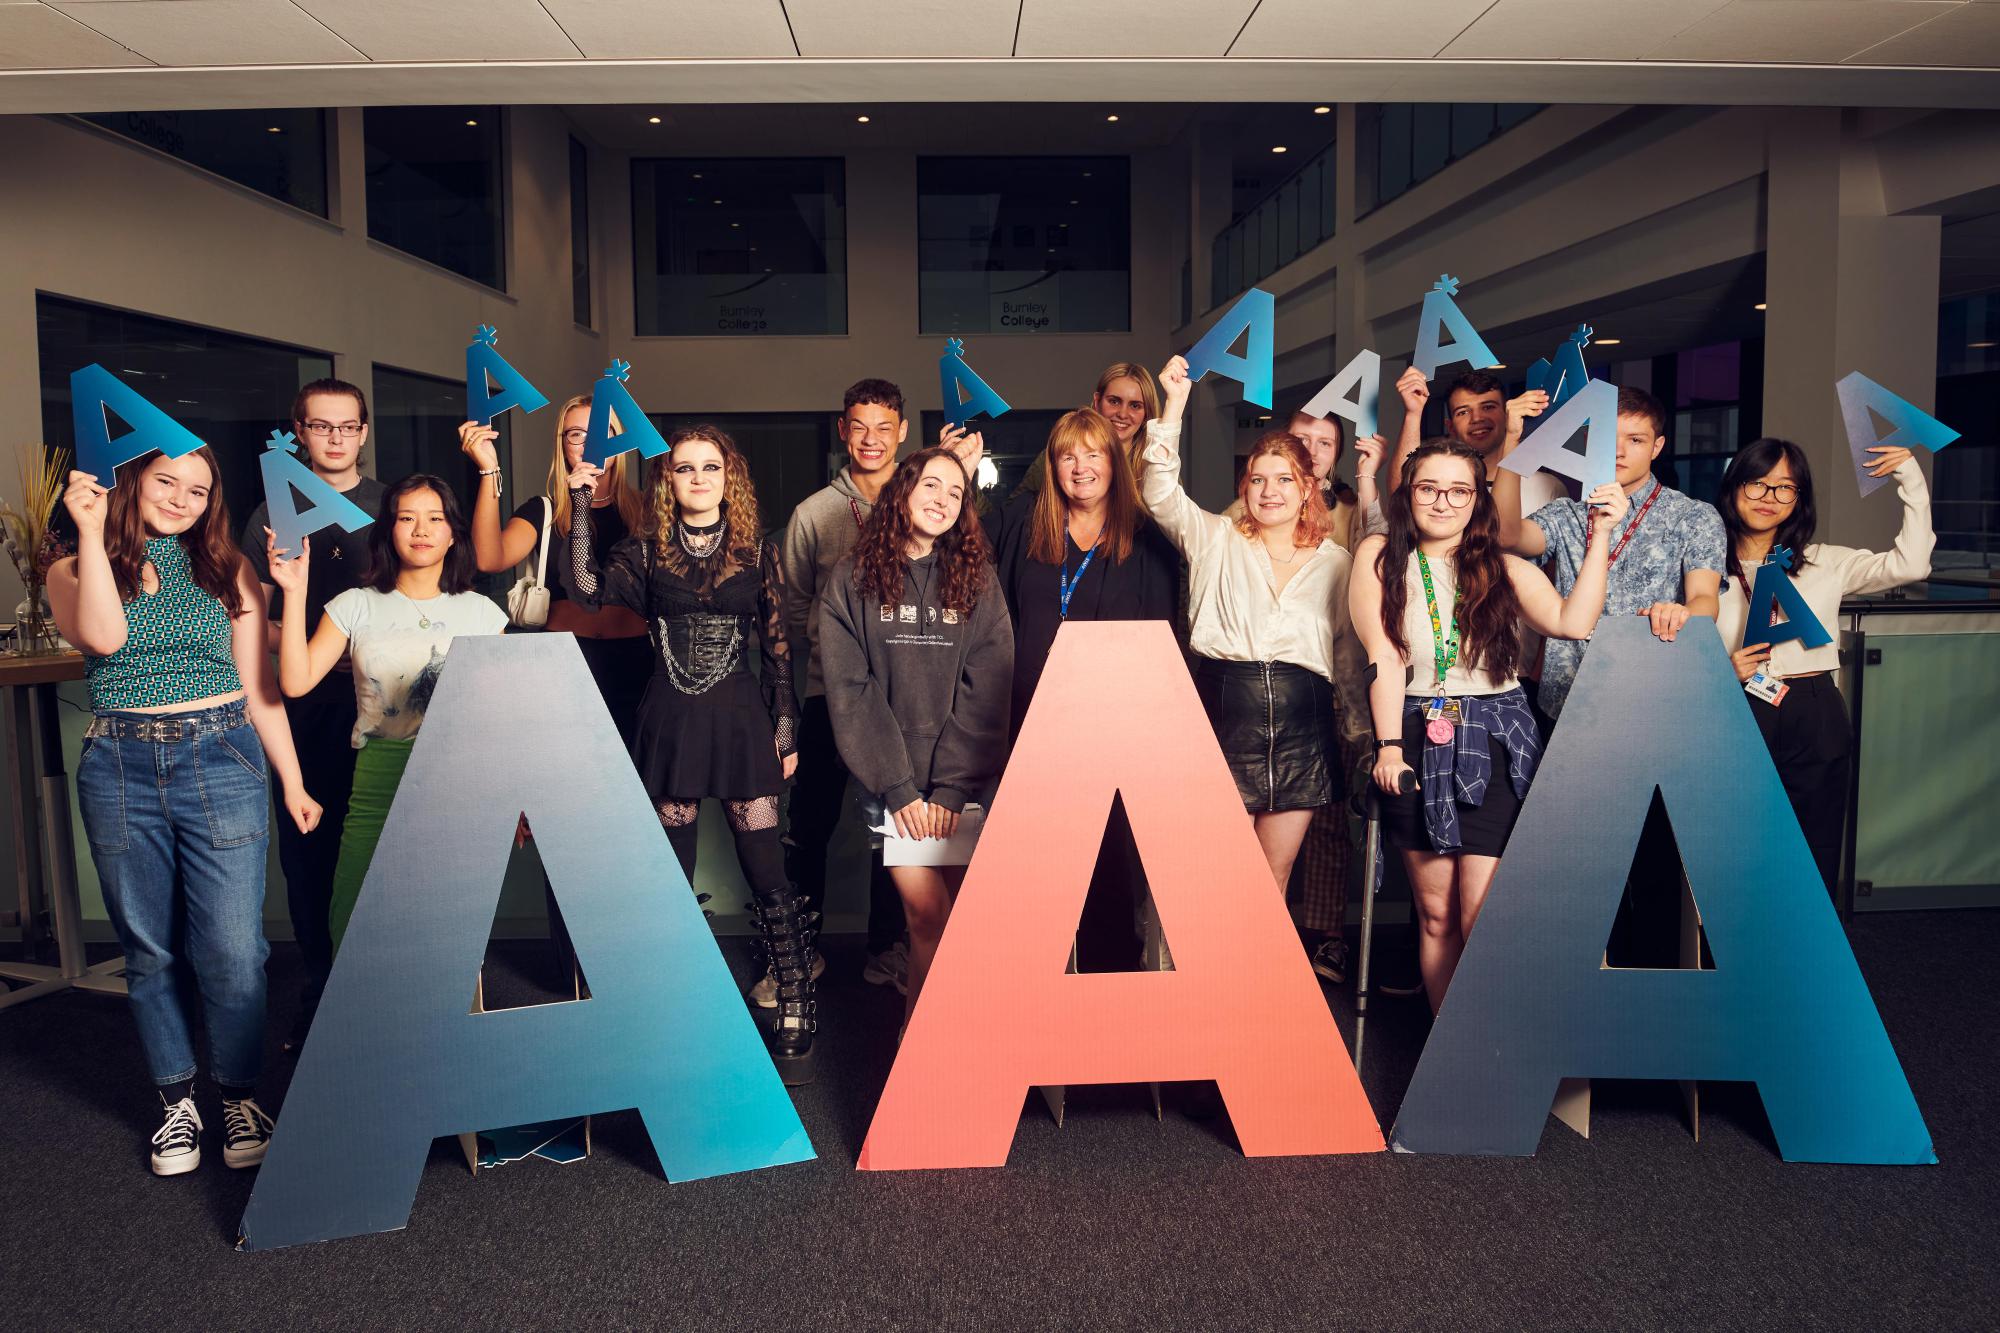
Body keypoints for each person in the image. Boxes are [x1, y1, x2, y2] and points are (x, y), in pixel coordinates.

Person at [50, 449, 319, 1177]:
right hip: (119, 763)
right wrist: (89, 525)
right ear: (129, 480)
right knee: (151, 949)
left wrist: (291, 780)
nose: (181, 499)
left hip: (221, 754)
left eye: (198, 489)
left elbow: (259, 685)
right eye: (165, 481)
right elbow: (104, 638)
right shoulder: (72, 568)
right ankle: (177, 1103)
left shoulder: (227, 567)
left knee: (233, 950)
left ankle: (237, 1094)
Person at [563, 428, 817, 1082]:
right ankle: (682, 1000)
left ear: (728, 477)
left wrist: (784, 724)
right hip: (669, 717)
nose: (699, 477)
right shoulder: (646, 554)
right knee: (670, 876)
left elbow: (780, 646)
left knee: (766, 866)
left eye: (711, 466)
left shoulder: (758, 553)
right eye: (685, 468)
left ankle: (794, 995)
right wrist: (585, 506)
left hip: (738, 719)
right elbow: (586, 586)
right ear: (668, 481)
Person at [1351, 441, 1625, 1011]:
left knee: (1482, 913)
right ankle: (1445, 1060)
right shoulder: (1379, 556)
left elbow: (1572, 623)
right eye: (1429, 488)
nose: (1444, 502)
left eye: (1459, 491)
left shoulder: (1503, 567)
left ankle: (1487, 1048)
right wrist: (1388, 748)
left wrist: (1600, 534)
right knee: (1435, 914)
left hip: (1497, 734)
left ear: (1477, 501)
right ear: (1409, 494)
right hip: (1414, 730)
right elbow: (1384, 658)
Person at [1142, 355, 1369, 901]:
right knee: (1218, 873)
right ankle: (1206, 985)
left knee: (1273, 879)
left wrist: (1363, 738)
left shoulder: (1335, 562)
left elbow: (1346, 658)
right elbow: (1159, 493)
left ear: (1308, 486)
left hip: (1304, 728)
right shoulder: (1215, 537)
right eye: (1258, 479)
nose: (1270, 491)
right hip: (1227, 713)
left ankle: (1258, 988)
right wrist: (1174, 404)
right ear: (1245, 486)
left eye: (1284, 479)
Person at [269, 474, 508, 955]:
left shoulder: (483, 613)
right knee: (354, 917)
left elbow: (494, 718)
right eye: (406, 518)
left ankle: (442, 1027)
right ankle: (359, 1027)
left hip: (455, 780)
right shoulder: (355, 606)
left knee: (448, 920)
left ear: (453, 533)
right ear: (388, 531)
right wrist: (295, 592)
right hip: (377, 773)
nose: (421, 529)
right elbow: (295, 682)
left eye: (435, 518)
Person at [819, 448, 1013, 1028]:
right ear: (902, 491)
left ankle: (943, 1051)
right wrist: (900, 789)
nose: (943, 500)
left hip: (962, 783)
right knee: (928, 917)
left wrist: (951, 789)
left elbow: (989, 685)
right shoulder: (851, 578)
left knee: (958, 923)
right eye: (931, 484)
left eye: (956, 493)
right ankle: (923, 1061)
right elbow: (851, 691)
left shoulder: (976, 577)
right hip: (893, 786)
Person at [992, 408, 1179, 970]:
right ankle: (1036, 989)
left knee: (1107, 860)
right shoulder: (1023, 526)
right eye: (1067, 455)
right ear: (1052, 465)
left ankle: (1110, 991)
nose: (1081, 467)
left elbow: (1162, 643)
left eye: (1094, 454)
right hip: (1029, 719)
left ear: (1115, 462)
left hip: (1112, 727)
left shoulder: (1148, 540)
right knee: (1035, 860)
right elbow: (987, 608)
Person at [1715, 438, 1933, 896]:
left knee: (1815, 845)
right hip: (1732, 705)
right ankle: (1733, 958)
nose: (1769, 499)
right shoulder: (1702, 565)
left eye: (1785, 488)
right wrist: (1718, 670)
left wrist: (1910, 479)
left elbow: (1912, 564)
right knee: (1730, 840)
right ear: (1734, 488)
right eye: (1758, 484)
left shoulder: (1824, 561)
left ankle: (1806, 957)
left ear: (1799, 500)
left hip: (1812, 707)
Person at [241, 378, 387, 1051]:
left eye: (346, 426)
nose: (334, 437)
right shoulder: (270, 509)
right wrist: (316, 651)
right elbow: (254, 620)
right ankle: (322, 994)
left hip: (384, 708)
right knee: (309, 860)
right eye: (320, 426)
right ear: (300, 431)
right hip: (302, 709)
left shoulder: (392, 507)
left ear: (363, 431)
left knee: (384, 856)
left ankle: (381, 995)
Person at [781, 379, 911, 995]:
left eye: (883, 427)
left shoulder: (923, 501)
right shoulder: (813, 514)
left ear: (902, 432)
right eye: (859, 426)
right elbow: (791, 612)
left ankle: (889, 947)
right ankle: (799, 953)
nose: (871, 439)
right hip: (825, 695)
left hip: (902, 698)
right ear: (842, 431)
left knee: (897, 826)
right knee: (809, 825)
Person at [458, 396, 650, 744]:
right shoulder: (544, 511)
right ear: (563, 445)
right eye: (576, 434)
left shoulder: (648, 511)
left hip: (636, 662)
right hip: (565, 662)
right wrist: (488, 471)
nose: (589, 444)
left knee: (638, 782)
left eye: (601, 432)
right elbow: (488, 559)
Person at [1012, 362, 1162, 500]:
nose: (1122, 414)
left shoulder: (1156, 464)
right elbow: (1010, 518)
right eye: (1114, 401)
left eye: (1135, 406)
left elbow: (1176, 525)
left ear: (1146, 413)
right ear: (1097, 402)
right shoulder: (1056, 456)